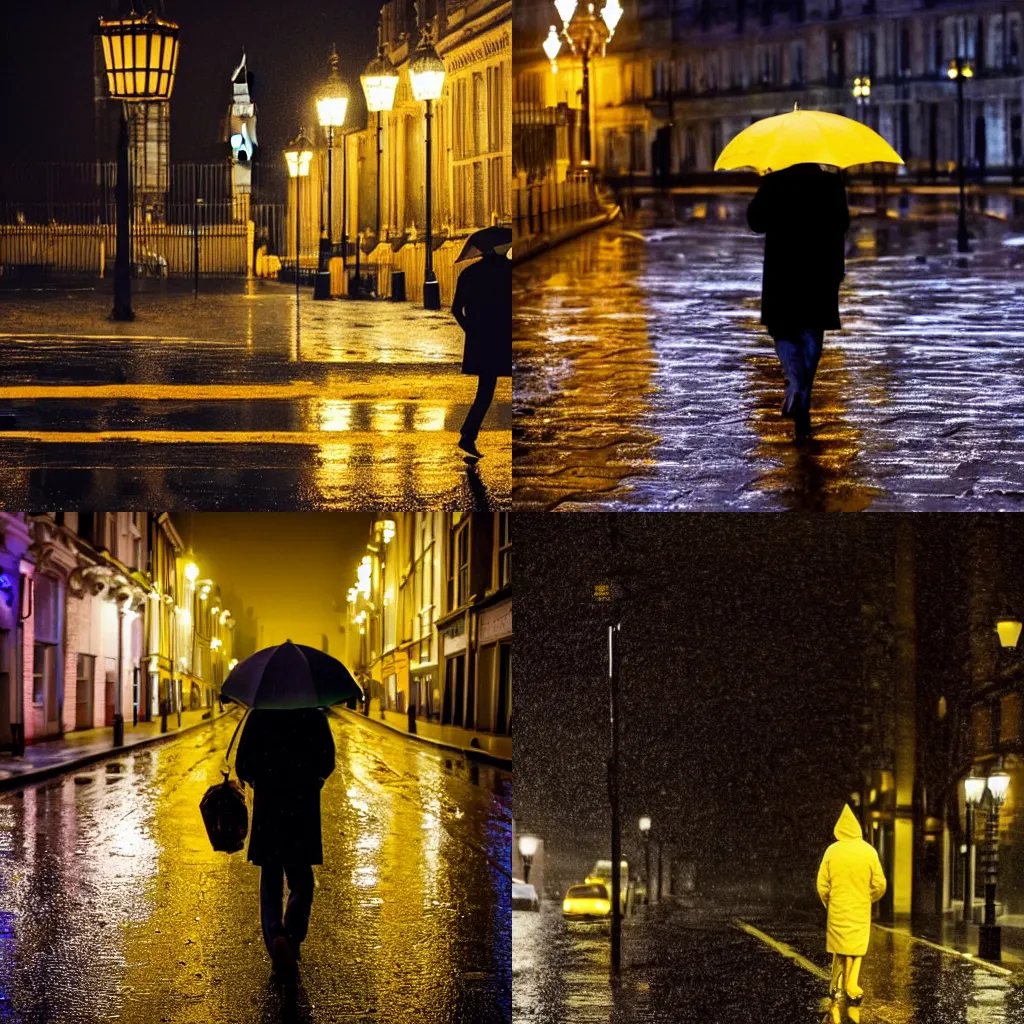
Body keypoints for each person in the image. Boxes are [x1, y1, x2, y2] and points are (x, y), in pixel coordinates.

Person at [747, 163, 850, 442]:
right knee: (812, 332)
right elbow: (842, 225)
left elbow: (755, 222)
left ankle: (796, 382)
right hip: (820, 270)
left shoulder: (774, 182)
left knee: (783, 330)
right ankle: (802, 399)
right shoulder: (832, 184)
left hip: (783, 272)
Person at [235, 707, 336, 973]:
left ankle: (275, 935)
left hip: (269, 807)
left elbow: (242, 764)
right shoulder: (313, 716)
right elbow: (328, 761)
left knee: (271, 877)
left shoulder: (260, 714)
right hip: (303, 807)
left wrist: (261, 779)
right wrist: (312, 780)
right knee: (302, 880)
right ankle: (292, 935)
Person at [816, 804, 887, 1024]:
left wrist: (829, 901)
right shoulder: (869, 851)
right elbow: (880, 884)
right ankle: (852, 985)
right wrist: (869, 897)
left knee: (839, 947)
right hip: (860, 907)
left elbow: (822, 885)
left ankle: (836, 984)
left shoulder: (831, 851)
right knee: (856, 949)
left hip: (838, 906)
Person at [451, 248, 512, 459]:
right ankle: (468, 435)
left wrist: (472, 330)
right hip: (505, 336)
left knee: (485, 390)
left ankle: (468, 435)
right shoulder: (509, 271)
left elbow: (457, 309)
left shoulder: (469, 273)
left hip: (482, 339)